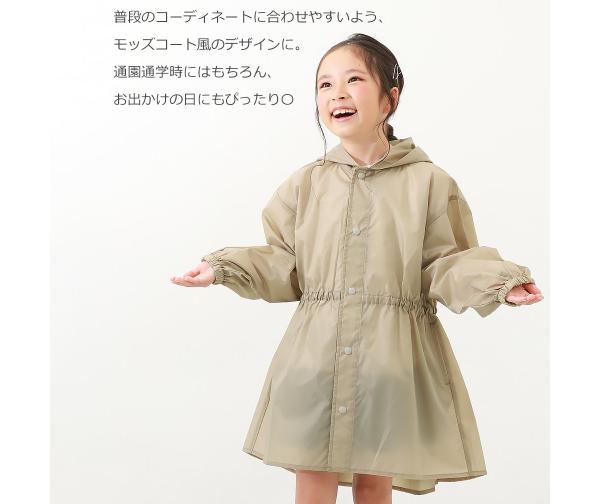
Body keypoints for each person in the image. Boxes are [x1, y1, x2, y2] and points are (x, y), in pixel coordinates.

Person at [170, 33, 544, 503]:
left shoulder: (429, 182)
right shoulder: (306, 183)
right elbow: (284, 262)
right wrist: (224, 268)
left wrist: (499, 283)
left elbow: (446, 262)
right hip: (314, 356)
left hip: (391, 357)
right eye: (324, 85)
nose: (337, 94)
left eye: (353, 80)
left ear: (390, 98)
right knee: (312, 472)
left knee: (375, 477)